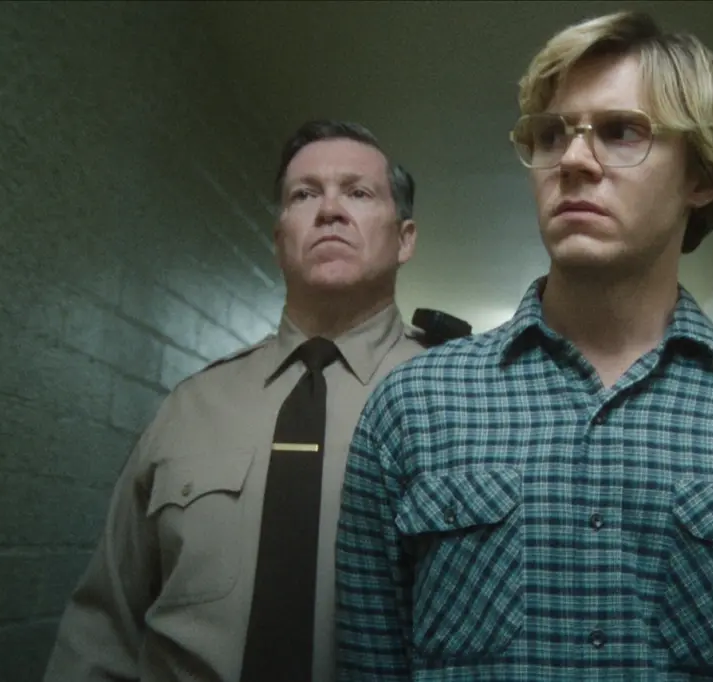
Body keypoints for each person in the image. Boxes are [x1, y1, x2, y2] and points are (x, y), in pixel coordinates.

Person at [335, 10, 713, 681]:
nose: (574, 161)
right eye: (551, 134)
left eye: (621, 131)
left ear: (701, 175)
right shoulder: (414, 407)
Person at [43, 119, 468, 682]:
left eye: (358, 193)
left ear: (405, 239)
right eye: (305, 194)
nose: (329, 210)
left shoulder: (459, 400)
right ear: (278, 239)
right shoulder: (190, 408)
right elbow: (103, 628)